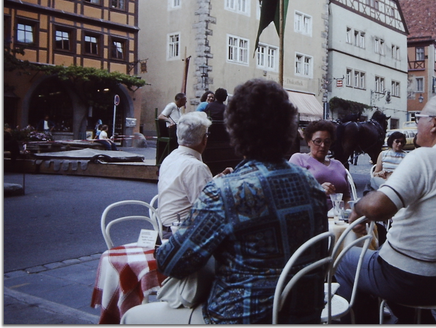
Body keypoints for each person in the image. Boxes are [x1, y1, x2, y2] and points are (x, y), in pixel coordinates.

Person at [122, 79, 328, 324]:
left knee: (133, 318)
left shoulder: (225, 191)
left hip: (241, 316)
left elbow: (171, 262)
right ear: (288, 130)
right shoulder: (312, 185)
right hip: (304, 317)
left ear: (235, 130)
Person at [333, 95, 436, 323]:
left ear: (434, 123)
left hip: (415, 281)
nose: (417, 124)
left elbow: (379, 207)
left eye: (420, 118)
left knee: (345, 259)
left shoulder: (424, 157)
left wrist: (359, 207)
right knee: (391, 261)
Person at [157, 111, 232, 238]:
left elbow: (189, 190)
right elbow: (208, 208)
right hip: (182, 232)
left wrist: (216, 178)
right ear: (204, 139)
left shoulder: (171, 157)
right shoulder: (196, 167)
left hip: (165, 228)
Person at [289, 120, 351, 207]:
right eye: (318, 141)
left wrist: (347, 216)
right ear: (309, 142)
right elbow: (291, 191)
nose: (322, 145)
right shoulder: (299, 159)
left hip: (338, 215)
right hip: (312, 212)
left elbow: (347, 197)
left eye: (327, 141)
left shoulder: (338, 164)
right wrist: (318, 190)